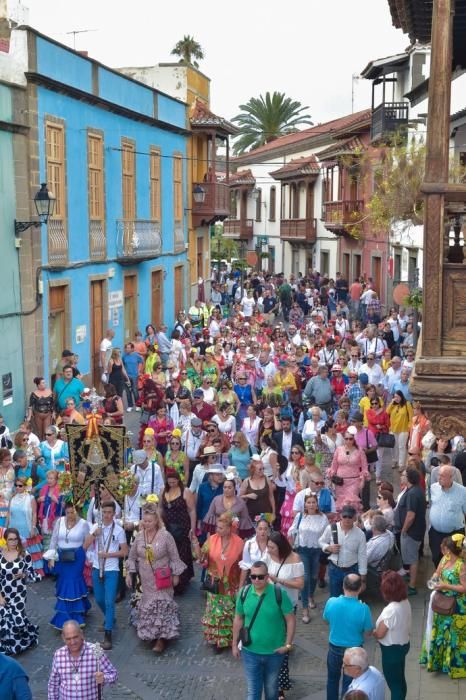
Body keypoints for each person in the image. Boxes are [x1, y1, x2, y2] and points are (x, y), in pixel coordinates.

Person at [126, 501, 186, 653]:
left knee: (162, 605)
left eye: (150, 521)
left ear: (157, 520)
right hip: (146, 580)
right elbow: (131, 557)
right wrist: (129, 574)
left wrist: (176, 575)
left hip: (162, 578)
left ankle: (162, 638)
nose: (146, 524)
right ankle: (152, 633)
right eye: (144, 521)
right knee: (150, 605)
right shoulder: (139, 537)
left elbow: (174, 557)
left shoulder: (166, 536)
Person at [232, 561, 296, 700]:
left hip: (274, 653)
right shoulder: (243, 593)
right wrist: (234, 644)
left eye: (260, 577)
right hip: (250, 652)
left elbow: (290, 619)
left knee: (271, 691)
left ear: (267, 577)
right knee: (253, 692)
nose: (256, 580)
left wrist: (288, 645)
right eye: (253, 576)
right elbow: (238, 619)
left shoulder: (279, 593)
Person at [196, 512, 244, 652]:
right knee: (215, 613)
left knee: (229, 612)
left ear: (229, 528)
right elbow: (201, 558)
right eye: (217, 527)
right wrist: (195, 544)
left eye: (221, 528)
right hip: (215, 584)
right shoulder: (211, 540)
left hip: (231, 584)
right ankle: (217, 640)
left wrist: (241, 585)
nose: (218, 530)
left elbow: (244, 566)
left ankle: (230, 639)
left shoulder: (240, 543)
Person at [419, 534, 466, 677]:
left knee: (454, 636)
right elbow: (437, 572)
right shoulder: (445, 559)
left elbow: (464, 588)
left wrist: (446, 585)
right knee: (441, 633)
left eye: (444, 547)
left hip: (457, 606)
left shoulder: (462, 565)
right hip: (442, 604)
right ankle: (439, 662)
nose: (442, 549)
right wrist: (434, 579)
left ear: (450, 549)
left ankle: (454, 666)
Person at [265, 531, 304, 698]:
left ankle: (279, 686)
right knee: (272, 642)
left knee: (282, 645)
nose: (269, 550)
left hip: (288, 606)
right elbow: (264, 575)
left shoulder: (295, 559)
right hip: (270, 605)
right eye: (268, 546)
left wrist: (278, 580)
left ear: (280, 546)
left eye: (272, 547)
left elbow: (300, 584)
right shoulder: (268, 556)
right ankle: (275, 682)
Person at [84, 501, 127, 650]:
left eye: (110, 512)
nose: (107, 515)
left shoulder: (119, 530)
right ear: (101, 513)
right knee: (99, 599)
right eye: (105, 512)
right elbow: (85, 546)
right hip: (97, 568)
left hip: (112, 569)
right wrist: (94, 535)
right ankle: (110, 618)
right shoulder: (97, 527)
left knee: (109, 601)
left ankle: (108, 634)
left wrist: (108, 555)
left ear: (114, 513)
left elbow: (124, 552)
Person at [323, 574, 373, 700]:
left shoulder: (331, 602)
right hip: (354, 651)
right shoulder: (364, 609)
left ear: (343, 586)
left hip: (334, 648)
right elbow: (368, 632)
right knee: (350, 683)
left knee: (332, 680)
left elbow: (326, 620)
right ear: (360, 588)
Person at [47, 502, 91, 629]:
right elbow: (54, 539)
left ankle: (72, 616)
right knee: (64, 582)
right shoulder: (60, 521)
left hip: (77, 558)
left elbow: (88, 541)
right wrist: (51, 556)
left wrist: (85, 554)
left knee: (71, 582)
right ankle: (82, 606)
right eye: (68, 512)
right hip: (62, 558)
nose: (70, 515)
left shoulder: (83, 524)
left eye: (73, 512)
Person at [48, 620, 117, 698]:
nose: (72, 642)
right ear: (63, 638)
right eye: (68, 639)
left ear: (81, 634)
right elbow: (53, 684)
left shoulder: (96, 650)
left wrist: (104, 678)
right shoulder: (59, 655)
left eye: (75, 637)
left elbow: (113, 673)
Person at [0, 527, 40, 655]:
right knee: (5, 619)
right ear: (5, 540)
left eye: (15, 539)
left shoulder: (24, 554)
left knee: (18, 621)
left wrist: (23, 575)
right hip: (3, 593)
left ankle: (27, 637)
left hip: (18, 593)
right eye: (10, 539)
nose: (13, 542)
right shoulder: (0, 555)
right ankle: (11, 647)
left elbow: (32, 574)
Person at [288, 493, 328, 621]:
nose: (311, 505)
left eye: (313, 502)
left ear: (317, 504)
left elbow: (327, 534)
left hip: (317, 550)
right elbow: (292, 529)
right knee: (305, 577)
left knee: (314, 575)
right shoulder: (300, 516)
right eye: (309, 502)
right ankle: (305, 608)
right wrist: (293, 533)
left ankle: (310, 595)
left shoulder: (323, 518)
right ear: (305, 504)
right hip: (303, 550)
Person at [373, 571, 411, 700]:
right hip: (403, 644)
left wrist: (372, 632)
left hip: (391, 651)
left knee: (394, 685)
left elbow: (380, 634)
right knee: (400, 680)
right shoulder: (405, 601)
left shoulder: (391, 610)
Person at [319, 504, 368, 598]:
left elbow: (362, 556)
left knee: (351, 598)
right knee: (334, 597)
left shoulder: (360, 534)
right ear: (340, 516)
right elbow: (321, 541)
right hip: (335, 569)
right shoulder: (331, 528)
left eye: (350, 516)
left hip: (352, 570)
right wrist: (328, 547)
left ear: (354, 518)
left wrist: (363, 579)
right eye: (345, 516)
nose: (347, 519)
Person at [160, 469, 196, 594]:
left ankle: (181, 582)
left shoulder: (186, 492)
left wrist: (192, 528)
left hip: (182, 526)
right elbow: (160, 508)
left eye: (174, 482)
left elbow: (191, 510)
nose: (172, 484)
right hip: (167, 527)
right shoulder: (163, 490)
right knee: (168, 554)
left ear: (178, 481)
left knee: (181, 554)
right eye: (170, 482)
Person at [393, 468, 426, 595]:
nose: (401, 476)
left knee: (412, 559)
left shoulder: (412, 493)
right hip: (415, 530)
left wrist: (404, 530)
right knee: (411, 556)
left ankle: (412, 585)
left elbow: (411, 515)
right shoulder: (415, 490)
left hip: (411, 532)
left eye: (403, 475)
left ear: (409, 478)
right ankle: (409, 577)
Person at [428, 465, 466, 567]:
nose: (439, 478)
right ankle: (440, 576)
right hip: (435, 533)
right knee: (436, 557)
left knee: (454, 559)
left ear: (451, 477)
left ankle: (450, 580)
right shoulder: (433, 488)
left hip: (454, 533)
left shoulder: (462, 492)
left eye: (442, 476)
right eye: (438, 475)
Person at [327, 427, 369, 513]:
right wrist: (331, 479)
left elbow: (365, 468)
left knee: (351, 503)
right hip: (340, 482)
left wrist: (362, 480)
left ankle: (353, 522)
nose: (348, 441)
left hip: (354, 481)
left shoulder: (360, 451)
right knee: (341, 504)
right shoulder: (339, 450)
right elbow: (334, 466)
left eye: (351, 439)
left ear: (354, 439)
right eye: (346, 439)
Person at [7, 477, 44, 577]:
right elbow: (9, 515)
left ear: (25, 486)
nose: (18, 487)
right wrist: (6, 529)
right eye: (16, 485)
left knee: (29, 553)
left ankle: (31, 573)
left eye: (20, 485)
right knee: (15, 551)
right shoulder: (12, 498)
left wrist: (33, 527)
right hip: (14, 529)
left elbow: (34, 514)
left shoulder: (31, 498)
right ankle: (17, 571)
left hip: (26, 529)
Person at [240, 458, 275, 523]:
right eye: (260, 469)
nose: (262, 471)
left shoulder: (266, 479)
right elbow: (239, 498)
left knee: (266, 531)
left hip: (266, 513)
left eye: (263, 469)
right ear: (253, 470)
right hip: (251, 514)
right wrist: (248, 496)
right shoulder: (246, 481)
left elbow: (271, 497)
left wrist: (273, 512)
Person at [239, 515, 271, 586]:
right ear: (256, 529)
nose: (263, 531)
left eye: (265, 529)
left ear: (269, 530)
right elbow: (245, 566)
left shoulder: (273, 544)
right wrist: (240, 588)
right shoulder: (249, 544)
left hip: (269, 580)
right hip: (253, 580)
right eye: (260, 529)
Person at [386, 391, 413, 471]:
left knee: (401, 447)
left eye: (398, 397)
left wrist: (408, 427)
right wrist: (391, 403)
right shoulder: (393, 405)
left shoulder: (407, 404)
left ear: (401, 396)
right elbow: (386, 413)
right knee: (394, 446)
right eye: (395, 397)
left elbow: (411, 416)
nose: (396, 398)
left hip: (403, 429)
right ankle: (394, 460)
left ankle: (401, 464)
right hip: (393, 429)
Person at [0, 448, 15, 530]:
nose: (8, 462)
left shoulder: (14, 468)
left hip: (11, 497)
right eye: (5, 460)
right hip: (1, 499)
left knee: (10, 523)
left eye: (9, 459)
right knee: (1, 524)